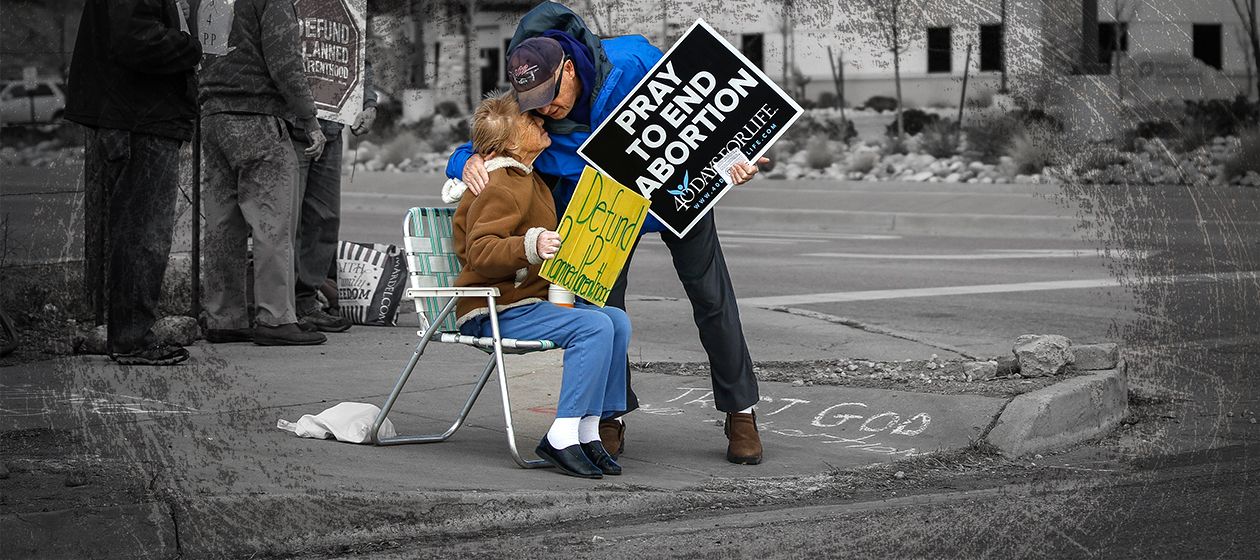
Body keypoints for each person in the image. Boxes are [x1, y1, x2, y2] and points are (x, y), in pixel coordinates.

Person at [445, 2, 767, 464]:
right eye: (536, 108)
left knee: (712, 297)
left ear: (570, 68)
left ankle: (741, 412)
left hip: (676, 189)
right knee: (603, 304)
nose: (547, 112)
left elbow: (705, 120)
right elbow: (483, 141)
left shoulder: (633, 62)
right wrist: (466, 162)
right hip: (602, 206)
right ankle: (610, 417)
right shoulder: (529, 90)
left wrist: (734, 163)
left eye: (552, 99)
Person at [454, 91, 630, 479]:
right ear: (512, 143)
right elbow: (480, 252)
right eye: (531, 122)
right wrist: (529, 245)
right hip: (494, 309)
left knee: (616, 319)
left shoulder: (527, 179)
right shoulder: (499, 184)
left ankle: (588, 428)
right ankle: (562, 434)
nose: (541, 121)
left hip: (525, 303)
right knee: (595, 326)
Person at [65, 0, 201, 365]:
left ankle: (128, 334)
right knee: (144, 234)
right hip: (139, 117)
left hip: (132, 115)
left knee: (135, 231)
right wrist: (191, 46)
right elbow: (135, 39)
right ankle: (131, 338)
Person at [194, 0, 327, 346]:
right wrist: (309, 119)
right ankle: (275, 318)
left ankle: (225, 317)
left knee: (222, 223)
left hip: (213, 116)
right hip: (258, 115)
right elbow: (284, 62)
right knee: (272, 221)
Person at [290, 62, 378, 333]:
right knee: (287, 219)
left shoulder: (345, 17)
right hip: (290, 127)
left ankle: (305, 300)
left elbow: (357, 56)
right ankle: (280, 303)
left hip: (331, 127)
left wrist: (369, 104)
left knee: (324, 217)